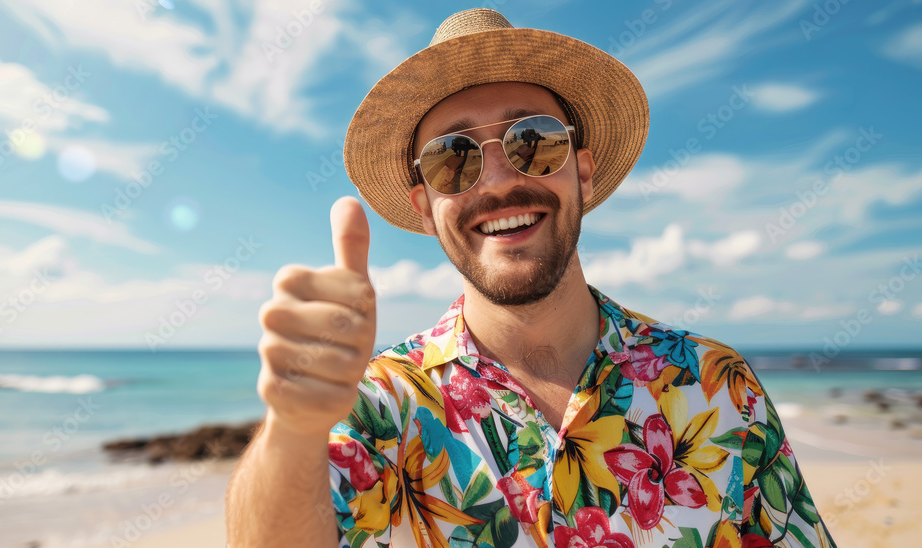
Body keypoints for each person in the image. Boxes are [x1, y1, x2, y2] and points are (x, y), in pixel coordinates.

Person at [226, 8, 837, 548]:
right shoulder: (379, 408)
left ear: (585, 173)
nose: (495, 182)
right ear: (424, 207)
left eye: (533, 141)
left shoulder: (720, 389)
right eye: (452, 157)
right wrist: (292, 427)